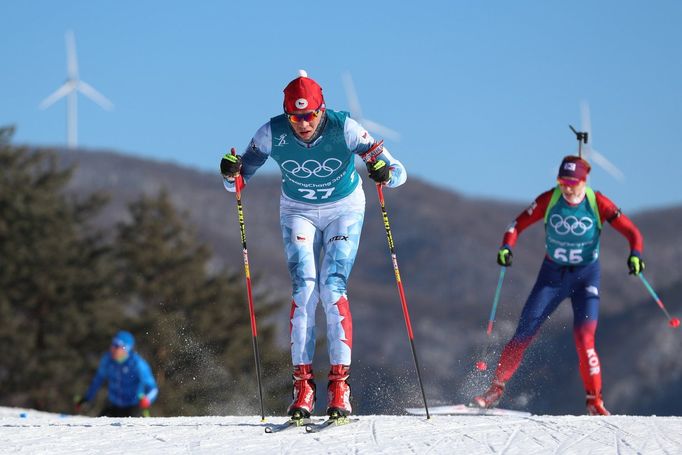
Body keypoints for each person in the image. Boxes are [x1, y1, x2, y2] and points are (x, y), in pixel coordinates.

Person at [220, 70, 406, 419]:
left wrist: (384, 173)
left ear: (322, 109)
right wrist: (232, 173)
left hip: (344, 208)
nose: (303, 124)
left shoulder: (345, 128)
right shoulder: (270, 133)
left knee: (331, 287)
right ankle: (303, 387)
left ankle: (340, 386)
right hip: (298, 210)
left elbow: (397, 170)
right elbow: (239, 183)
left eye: (309, 115)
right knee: (304, 289)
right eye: (295, 117)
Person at [471, 155, 644, 415]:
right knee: (523, 334)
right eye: (562, 182)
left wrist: (635, 254)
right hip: (551, 278)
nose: (566, 188)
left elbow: (632, 232)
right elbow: (516, 225)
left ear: (584, 181)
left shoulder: (598, 202)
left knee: (584, 339)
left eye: (572, 183)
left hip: (586, 278)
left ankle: (594, 401)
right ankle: (495, 389)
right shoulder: (549, 200)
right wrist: (507, 246)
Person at [75, 330, 159, 417]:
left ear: (126, 348)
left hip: (133, 407)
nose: (112, 348)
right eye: (112, 344)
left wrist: (147, 399)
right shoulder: (107, 360)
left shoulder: (138, 364)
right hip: (113, 405)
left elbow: (153, 388)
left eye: (117, 346)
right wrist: (86, 399)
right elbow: (97, 380)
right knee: (98, 428)